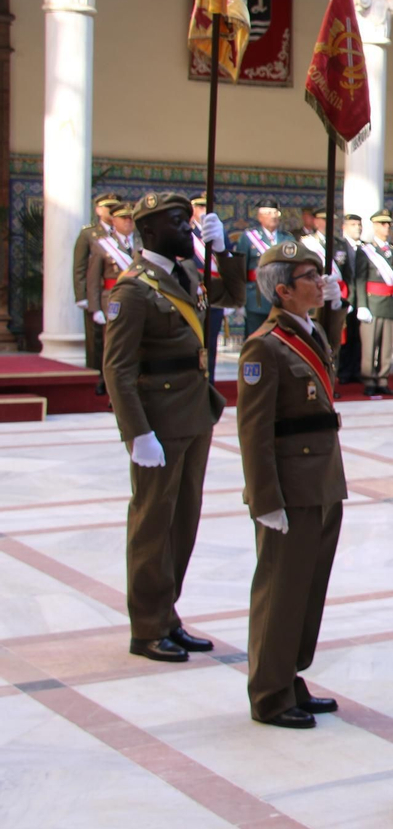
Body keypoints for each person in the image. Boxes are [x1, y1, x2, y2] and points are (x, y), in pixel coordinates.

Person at [102, 192, 244, 661]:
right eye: (180, 224)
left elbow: (233, 295)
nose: (189, 231)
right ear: (149, 232)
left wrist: (223, 251)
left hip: (193, 412)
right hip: (159, 423)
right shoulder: (133, 290)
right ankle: (146, 627)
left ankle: (167, 614)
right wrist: (136, 433)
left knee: (183, 521)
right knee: (152, 524)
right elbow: (117, 369)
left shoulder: (184, 274)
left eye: (190, 223)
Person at [236, 241, 346, 729]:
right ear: (282, 289)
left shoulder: (311, 330)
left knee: (307, 589)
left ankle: (289, 674)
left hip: (322, 480)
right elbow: (253, 430)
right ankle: (269, 691)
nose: (319, 282)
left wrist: (336, 308)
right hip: (290, 486)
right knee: (280, 591)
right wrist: (265, 499)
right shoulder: (264, 345)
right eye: (309, 275)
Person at [85, 203, 139, 392]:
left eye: (130, 218)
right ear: (114, 221)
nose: (128, 222)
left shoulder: (141, 245)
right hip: (112, 302)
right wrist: (95, 308)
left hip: (137, 301)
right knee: (114, 347)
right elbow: (93, 279)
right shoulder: (102, 246)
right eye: (124, 218)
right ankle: (112, 388)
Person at [354, 210, 393, 397]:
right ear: (374, 226)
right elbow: (360, 279)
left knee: (387, 346)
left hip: (391, 303)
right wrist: (362, 305)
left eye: (388, 224)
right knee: (369, 346)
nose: (387, 227)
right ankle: (368, 379)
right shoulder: (366, 251)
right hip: (372, 303)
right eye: (383, 224)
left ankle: (382, 379)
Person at [76, 192, 121, 375]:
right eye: (108, 207)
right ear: (98, 210)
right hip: (96, 292)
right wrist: (82, 296)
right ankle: (95, 375)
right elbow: (80, 266)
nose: (111, 211)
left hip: (117, 293)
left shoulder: (122, 234)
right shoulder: (89, 233)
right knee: (95, 339)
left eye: (114, 207)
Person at [296, 208, 348, 357]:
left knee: (334, 336)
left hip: (337, 293)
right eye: (325, 220)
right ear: (316, 222)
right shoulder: (308, 243)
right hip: (314, 293)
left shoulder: (339, 244)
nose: (330, 224)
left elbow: (347, 273)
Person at [238, 202, 293, 339]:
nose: (273, 217)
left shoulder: (288, 238)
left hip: (282, 299)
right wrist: (239, 300)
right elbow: (240, 270)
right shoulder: (249, 238)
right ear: (260, 217)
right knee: (256, 341)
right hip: (256, 298)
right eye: (269, 213)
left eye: (276, 213)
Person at [187, 197, 226, 380]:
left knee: (211, 344)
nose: (204, 209)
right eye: (200, 205)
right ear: (192, 208)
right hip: (194, 292)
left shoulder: (218, 232)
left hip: (215, 294)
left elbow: (225, 261)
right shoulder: (187, 232)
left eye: (207, 205)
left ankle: (209, 381)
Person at [336, 214, 365, 385]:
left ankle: (356, 369)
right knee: (344, 336)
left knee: (358, 336)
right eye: (353, 224)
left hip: (360, 298)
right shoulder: (338, 246)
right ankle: (344, 370)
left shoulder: (365, 248)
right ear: (345, 227)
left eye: (359, 224)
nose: (357, 228)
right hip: (344, 297)